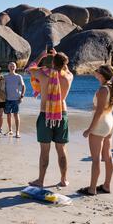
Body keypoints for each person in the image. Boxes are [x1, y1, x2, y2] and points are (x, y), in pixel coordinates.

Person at [27, 50, 74, 188]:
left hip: (45, 114)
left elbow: (30, 67)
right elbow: (66, 69)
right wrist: (59, 60)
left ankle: (41, 181)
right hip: (61, 114)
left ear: (52, 62)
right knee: (62, 149)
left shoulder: (43, 75)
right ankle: (64, 180)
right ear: (65, 64)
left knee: (44, 150)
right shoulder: (69, 77)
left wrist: (42, 55)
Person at [78, 65, 113, 196]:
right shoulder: (111, 87)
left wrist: (89, 129)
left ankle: (92, 189)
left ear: (101, 75)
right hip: (110, 123)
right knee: (108, 156)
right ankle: (106, 186)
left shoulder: (103, 89)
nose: (95, 72)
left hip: (101, 124)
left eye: (97, 71)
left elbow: (99, 111)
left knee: (96, 159)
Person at [4, 62, 26, 138]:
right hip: (7, 99)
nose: (12, 67)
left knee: (16, 115)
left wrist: (22, 96)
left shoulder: (19, 76)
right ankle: (10, 130)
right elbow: (2, 87)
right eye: (10, 66)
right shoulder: (5, 77)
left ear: (15, 67)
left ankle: (17, 132)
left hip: (16, 99)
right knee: (8, 115)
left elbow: (23, 86)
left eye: (13, 66)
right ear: (8, 67)